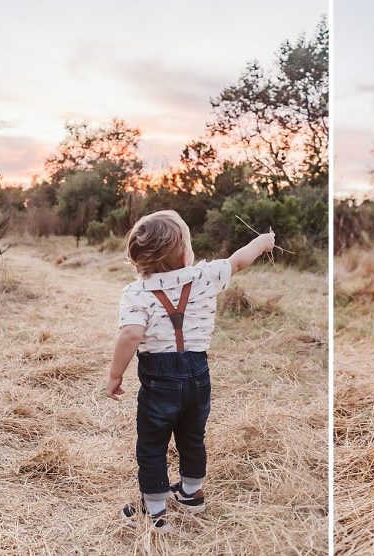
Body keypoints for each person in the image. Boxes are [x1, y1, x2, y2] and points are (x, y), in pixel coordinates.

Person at [106, 210, 275, 530]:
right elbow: (239, 261)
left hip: (159, 380)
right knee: (192, 437)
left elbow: (130, 335)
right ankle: (192, 494)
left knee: (152, 443)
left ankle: (154, 512)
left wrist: (116, 374)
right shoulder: (204, 276)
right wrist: (261, 242)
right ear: (184, 251)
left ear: (139, 258)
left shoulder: (136, 293)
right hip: (198, 374)